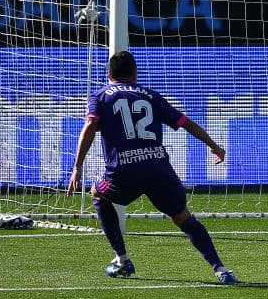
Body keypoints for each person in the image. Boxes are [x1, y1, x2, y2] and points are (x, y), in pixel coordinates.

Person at [68, 50, 237, 285]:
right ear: (135, 74)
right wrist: (214, 146)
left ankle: (122, 259)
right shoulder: (150, 95)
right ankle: (221, 269)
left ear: (109, 75)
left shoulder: (100, 96)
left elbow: (90, 127)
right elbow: (185, 122)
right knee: (183, 218)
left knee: (98, 194)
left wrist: (77, 167)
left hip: (124, 171)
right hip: (158, 168)